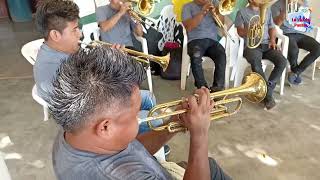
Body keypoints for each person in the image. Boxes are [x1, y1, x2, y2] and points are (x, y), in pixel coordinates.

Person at [50, 46, 232, 180]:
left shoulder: (75, 129)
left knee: (209, 165)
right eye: (136, 113)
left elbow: (134, 150)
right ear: (105, 127)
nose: (140, 118)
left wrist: (172, 125)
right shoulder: (124, 176)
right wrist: (199, 134)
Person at [34, 0, 162, 139]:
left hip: (94, 103)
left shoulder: (59, 51)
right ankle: (138, 146)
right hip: (90, 122)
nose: (80, 34)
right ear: (55, 35)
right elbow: (91, 111)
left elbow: (88, 75)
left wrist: (109, 59)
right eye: (75, 29)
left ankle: (144, 143)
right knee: (155, 119)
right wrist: (116, 66)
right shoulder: (56, 69)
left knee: (148, 97)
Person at [235, 0, 287, 110]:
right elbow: (239, 31)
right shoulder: (241, 12)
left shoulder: (267, 11)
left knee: (282, 61)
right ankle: (268, 97)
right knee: (256, 63)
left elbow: (272, 27)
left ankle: (268, 89)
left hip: (266, 44)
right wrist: (249, 30)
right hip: (251, 45)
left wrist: (273, 40)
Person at [182, 0, 226, 92]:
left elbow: (221, 24)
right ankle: (202, 88)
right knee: (196, 55)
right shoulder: (187, 7)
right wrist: (203, 12)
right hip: (195, 40)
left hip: (212, 41)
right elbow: (188, 26)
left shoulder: (215, 4)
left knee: (221, 54)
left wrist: (216, 13)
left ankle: (217, 88)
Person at [271, 0, 320, 85]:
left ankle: (295, 72)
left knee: (318, 48)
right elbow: (275, 25)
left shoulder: (304, 2)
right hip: (286, 34)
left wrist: (304, 9)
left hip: (300, 34)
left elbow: (307, 21)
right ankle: (294, 71)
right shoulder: (277, 5)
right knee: (294, 50)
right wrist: (284, 12)